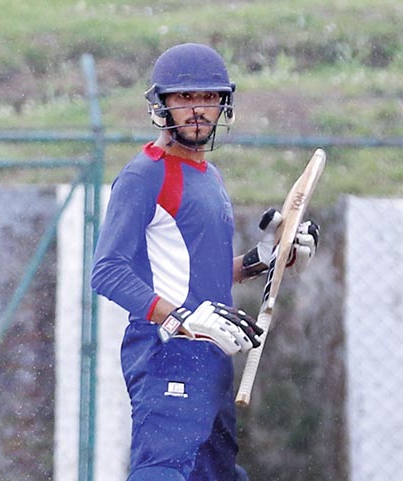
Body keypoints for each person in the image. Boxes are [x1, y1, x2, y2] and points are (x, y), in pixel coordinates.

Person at [90, 43, 319, 481]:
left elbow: (203, 273)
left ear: (223, 104)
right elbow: (109, 271)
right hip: (167, 350)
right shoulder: (145, 174)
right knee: (164, 472)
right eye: (185, 98)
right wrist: (181, 321)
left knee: (216, 475)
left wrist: (266, 259)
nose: (198, 109)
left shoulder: (209, 177)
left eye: (208, 98)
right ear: (162, 105)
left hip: (213, 350)